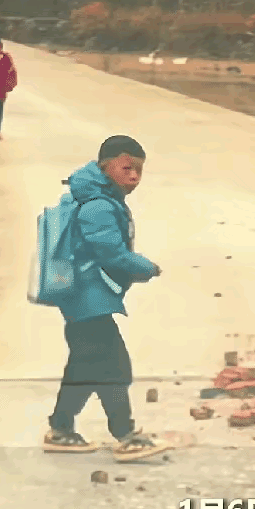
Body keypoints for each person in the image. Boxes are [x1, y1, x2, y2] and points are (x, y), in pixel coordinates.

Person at [45, 135, 171, 461]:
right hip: (88, 300)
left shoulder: (97, 198)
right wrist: (147, 267)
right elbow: (111, 253)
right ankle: (125, 436)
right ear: (105, 166)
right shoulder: (99, 206)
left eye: (140, 170)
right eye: (127, 167)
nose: (134, 176)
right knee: (114, 367)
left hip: (83, 300)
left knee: (84, 368)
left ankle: (60, 429)